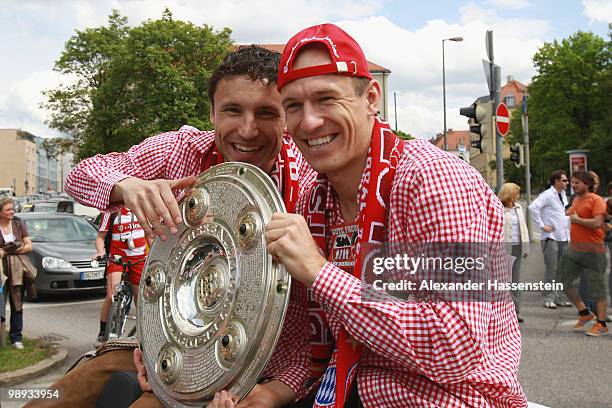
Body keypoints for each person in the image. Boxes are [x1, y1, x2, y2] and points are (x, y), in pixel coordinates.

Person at [230, 23, 526, 407]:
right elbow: (306, 341)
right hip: (349, 390)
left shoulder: (433, 180)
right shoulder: (314, 201)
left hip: (448, 398)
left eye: (326, 99)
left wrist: (320, 273)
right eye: (293, 107)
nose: (309, 121)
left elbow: (456, 346)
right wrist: (270, 391)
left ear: (371, 98)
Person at [26, 45, 315, 408]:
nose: (247, 129)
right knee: (53, 398)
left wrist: (275, 392)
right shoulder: (181, 150)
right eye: (232, 110)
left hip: (259, 370)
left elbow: (314, 333)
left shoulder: (309, 184)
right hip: (167, 353)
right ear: (211, 112)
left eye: (266, 113)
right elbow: (81, 174)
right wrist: (126, 186)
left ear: (286, 118)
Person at [559, 170, 608, 336]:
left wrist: (577, 220)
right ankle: (584, 313)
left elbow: (597, 223)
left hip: (593, 250)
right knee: (562, 282)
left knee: (597, 289)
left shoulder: (596, 200)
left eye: (576, 183)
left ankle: (601, 324)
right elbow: (567, 215)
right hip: (574, 249)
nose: (573, 185)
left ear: (587, 184)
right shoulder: (577, 199)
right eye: (572, 182)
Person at [92, 206, 147, 345]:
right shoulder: (111, 211)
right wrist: (100, 251)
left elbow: (151, 235)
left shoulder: (144, 207)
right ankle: (102, 332)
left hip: (139, 259)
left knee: (140, 298)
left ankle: (143, 334)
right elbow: (100, 237)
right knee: (112, 295)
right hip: (117, 257)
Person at [529, 170, 571, 309]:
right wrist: (542, 225)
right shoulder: (547, 194)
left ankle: (559, 296)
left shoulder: (563, 195)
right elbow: (532, 207)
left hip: (563, 236)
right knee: (551, 269)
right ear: (556, 181)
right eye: (564, 180)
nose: (567, 182)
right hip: (550, 238)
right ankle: (548, 297)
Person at [0, 197, 34, 350]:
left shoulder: (19, 224)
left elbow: (29, 246)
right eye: (8, 209)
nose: (11, 211)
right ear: (0, 212)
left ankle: (16, 337)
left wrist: (9, 250)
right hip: (1, 268)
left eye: (12, 209)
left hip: (17, 268)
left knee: (17, 302)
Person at [499, 183, 529, 322]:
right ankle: (502, 312)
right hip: (503, 248)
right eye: (516, 192)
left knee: (515, 281)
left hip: (517, 247)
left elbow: (523, 228)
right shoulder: (498, 208)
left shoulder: (518, 207)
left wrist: (526, 247)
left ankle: (516, 311)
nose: (518, 195)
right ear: (510, 193)